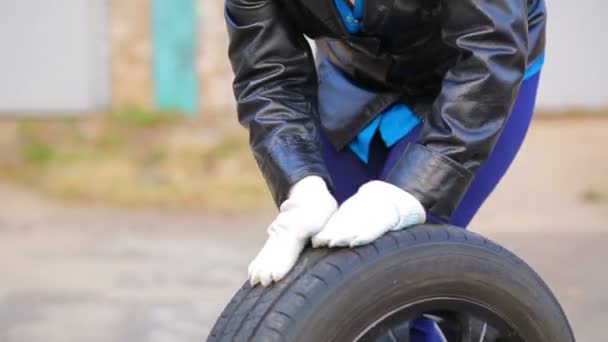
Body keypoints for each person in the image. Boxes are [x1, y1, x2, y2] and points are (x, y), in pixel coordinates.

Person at [224, 0, 545, 292]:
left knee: (393, 281)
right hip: (354, 76)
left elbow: (490, 50)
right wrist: (301, 185)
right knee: (329, 285)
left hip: (477, 76)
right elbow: (268, 76)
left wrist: (413, 190)